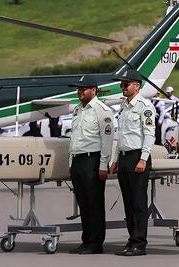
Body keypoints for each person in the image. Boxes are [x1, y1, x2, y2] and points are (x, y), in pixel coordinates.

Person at [109, 69, 156, 256]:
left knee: (138, 202)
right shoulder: (124, 106)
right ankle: (131, 240)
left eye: (126, 84)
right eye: (122, 85)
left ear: (137, 86)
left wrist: (143, 159)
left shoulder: (144, 106)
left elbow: (149, 134)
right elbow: (119, 135)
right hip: (124, 157)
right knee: (128, 203)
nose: (122, 87)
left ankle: (139, 243)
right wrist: (115, 159)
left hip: (138, 157)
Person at [68, 75, 114, 254]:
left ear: (93, 90)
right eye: (78, 89)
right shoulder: (77, 110)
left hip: (92, 160)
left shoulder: (101, 110)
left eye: (83, 89)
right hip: (78, 160)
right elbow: (75, 138)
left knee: (94, 203)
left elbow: (107, 139)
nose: (80, 91)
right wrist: (71, 161)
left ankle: (96, 243)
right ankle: (86, 240)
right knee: (83, 203)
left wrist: (104, 165)